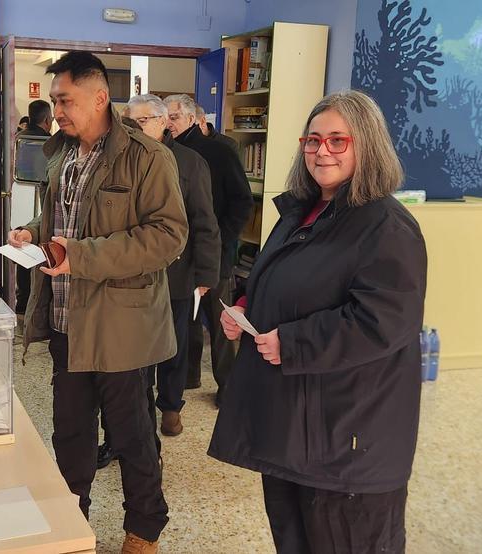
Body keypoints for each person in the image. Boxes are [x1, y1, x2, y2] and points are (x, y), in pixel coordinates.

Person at [208, 91, 427, 553]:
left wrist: (293, 342)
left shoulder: (386, 226)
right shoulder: (303, 210)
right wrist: (249, 306)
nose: (321, 150)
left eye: (336, 140)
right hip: (295, 430)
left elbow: (383, 322)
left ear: (366, 145)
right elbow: (287, 280)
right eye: (312, 140)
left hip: (348, 441)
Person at [8, 51, 186, 554]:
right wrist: (36, 233)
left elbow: (168, 236)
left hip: (121, 327)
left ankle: (143, 529)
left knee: (132, 437)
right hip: (67, 320)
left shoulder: (148, 158)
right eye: (56, 100)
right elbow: (64, 224)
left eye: (65, 99)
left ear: (100, 97)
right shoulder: (62, 155)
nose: (56, 110)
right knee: (71, 434)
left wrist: (79, 255)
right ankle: (72, 519)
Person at [125, 94, 220, 440]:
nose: (133, 128)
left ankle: (170, 407)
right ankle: (136, 416)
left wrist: (207, 275)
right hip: (132, 275)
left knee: (174, 347)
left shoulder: (189, 162)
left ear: (164, 122)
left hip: (178, 276)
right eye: (128, 122)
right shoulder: (121, 159)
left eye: (142, 121)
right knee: (135, 352)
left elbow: (205, 222)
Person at [164, 93, 253, 403]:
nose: (169, 122)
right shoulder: (164, 153)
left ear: (192, 118)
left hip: (215, 253)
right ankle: (186, 379)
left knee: (220, 322)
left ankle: (228, 386)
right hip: (179, 258)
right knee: (184, 322)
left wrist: (220, 238)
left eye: (174, 117)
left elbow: (242, 202)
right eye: (166, 117)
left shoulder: (219, 151)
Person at [15, 99, 55, 316]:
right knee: (39, 255)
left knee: (21, 252)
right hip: (41, 208)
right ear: (48, 120)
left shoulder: (17, 140)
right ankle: (34, 301)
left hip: (18, 207)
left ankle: (21, 301)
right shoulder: (51, 146)